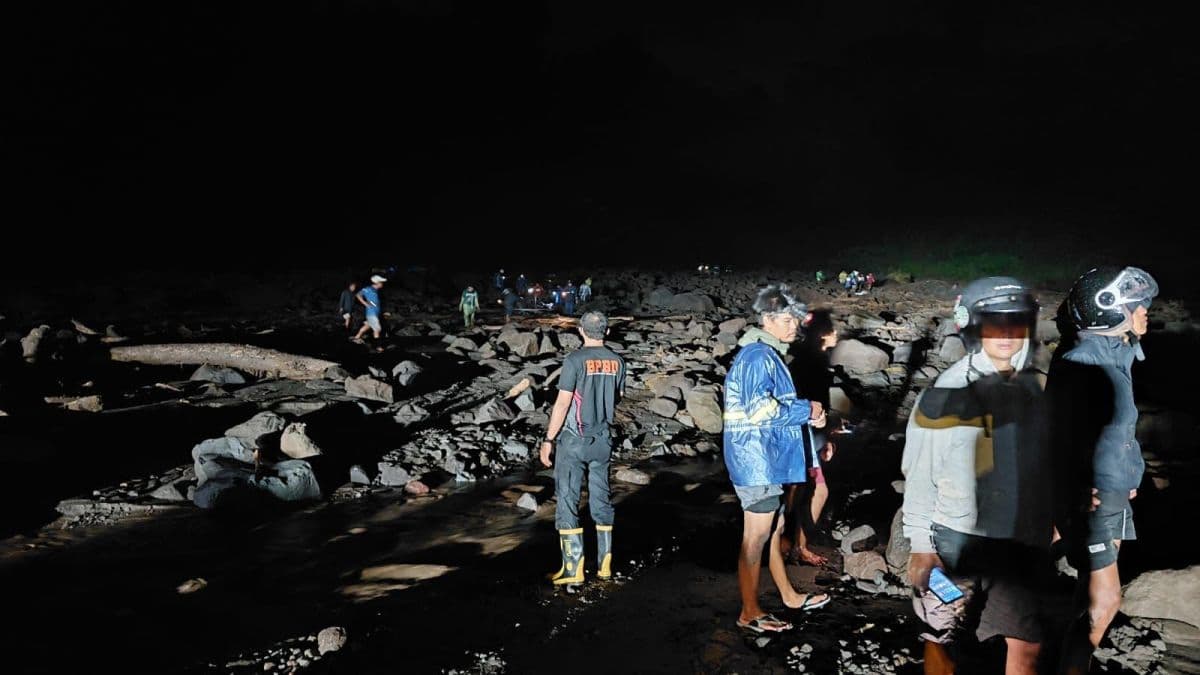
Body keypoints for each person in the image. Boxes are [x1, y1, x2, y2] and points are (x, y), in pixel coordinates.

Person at [902, 277, 1053, 675]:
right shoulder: (947, 393)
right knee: (942, 640)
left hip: (1017, 541)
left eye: (1016, 320)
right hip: (957, 541)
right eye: (993, 322)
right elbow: (920, 474)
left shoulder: (1036, 390)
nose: (1006, 333)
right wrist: (921, 545)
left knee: (1027, 643)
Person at [1051, 267, 1159, 675]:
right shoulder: (1083, 366)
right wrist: (1077, 492)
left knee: (1088, 592)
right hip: (1095, 497)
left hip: (1111, 491)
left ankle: (1065, 658)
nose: (1146, 311)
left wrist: (1128, 477)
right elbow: (1058, 438)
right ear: (1110, 312)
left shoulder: (1110, 354)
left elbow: (1115, 432)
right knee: (1105, 600)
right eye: (1138, 305)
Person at [724, 284, 831, 634]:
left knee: (773, 529)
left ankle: (788, 596)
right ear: (767, 319)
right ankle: (749, 612)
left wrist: (809, 415)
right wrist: (807, 409)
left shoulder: (768, 354)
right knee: (756, 536)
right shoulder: (758, 356)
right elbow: (760, 410)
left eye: (796, 321)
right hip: (756, 461)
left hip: (765, 458)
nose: (793, 327)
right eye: (787, 320)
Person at [540, 311, 626, 586]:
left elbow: (563, 403)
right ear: (607, 332)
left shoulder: (574, 360)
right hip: (603, 440)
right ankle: (604, 566)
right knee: (601, 499)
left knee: (568, 498)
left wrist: (549, 439)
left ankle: (573, 569)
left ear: (580, 331)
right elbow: (617, 396)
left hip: (574, 440)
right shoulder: (617, 361)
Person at [783, 310, 839, 566]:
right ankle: (791, 544)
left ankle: (792, 544)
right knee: (803, 489)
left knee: (804, 489)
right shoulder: (813, 362)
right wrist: (823, 435)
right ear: (823, 334)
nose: (836, 333)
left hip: (804, 433)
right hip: (803, 434)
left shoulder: (805, 360)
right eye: (832, 329)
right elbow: (813, 403)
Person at [352, 275, 387, 343]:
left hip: (375, 313)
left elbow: (375, 302)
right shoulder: (368, 289)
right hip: (371, 313)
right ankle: (378, 346)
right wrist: (365, 303)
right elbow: (358, 295)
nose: (382, 283)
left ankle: (356, 338)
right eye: (381, 282)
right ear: (377, 282)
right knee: (377, 329)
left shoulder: (375, 290)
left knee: (367, 326)